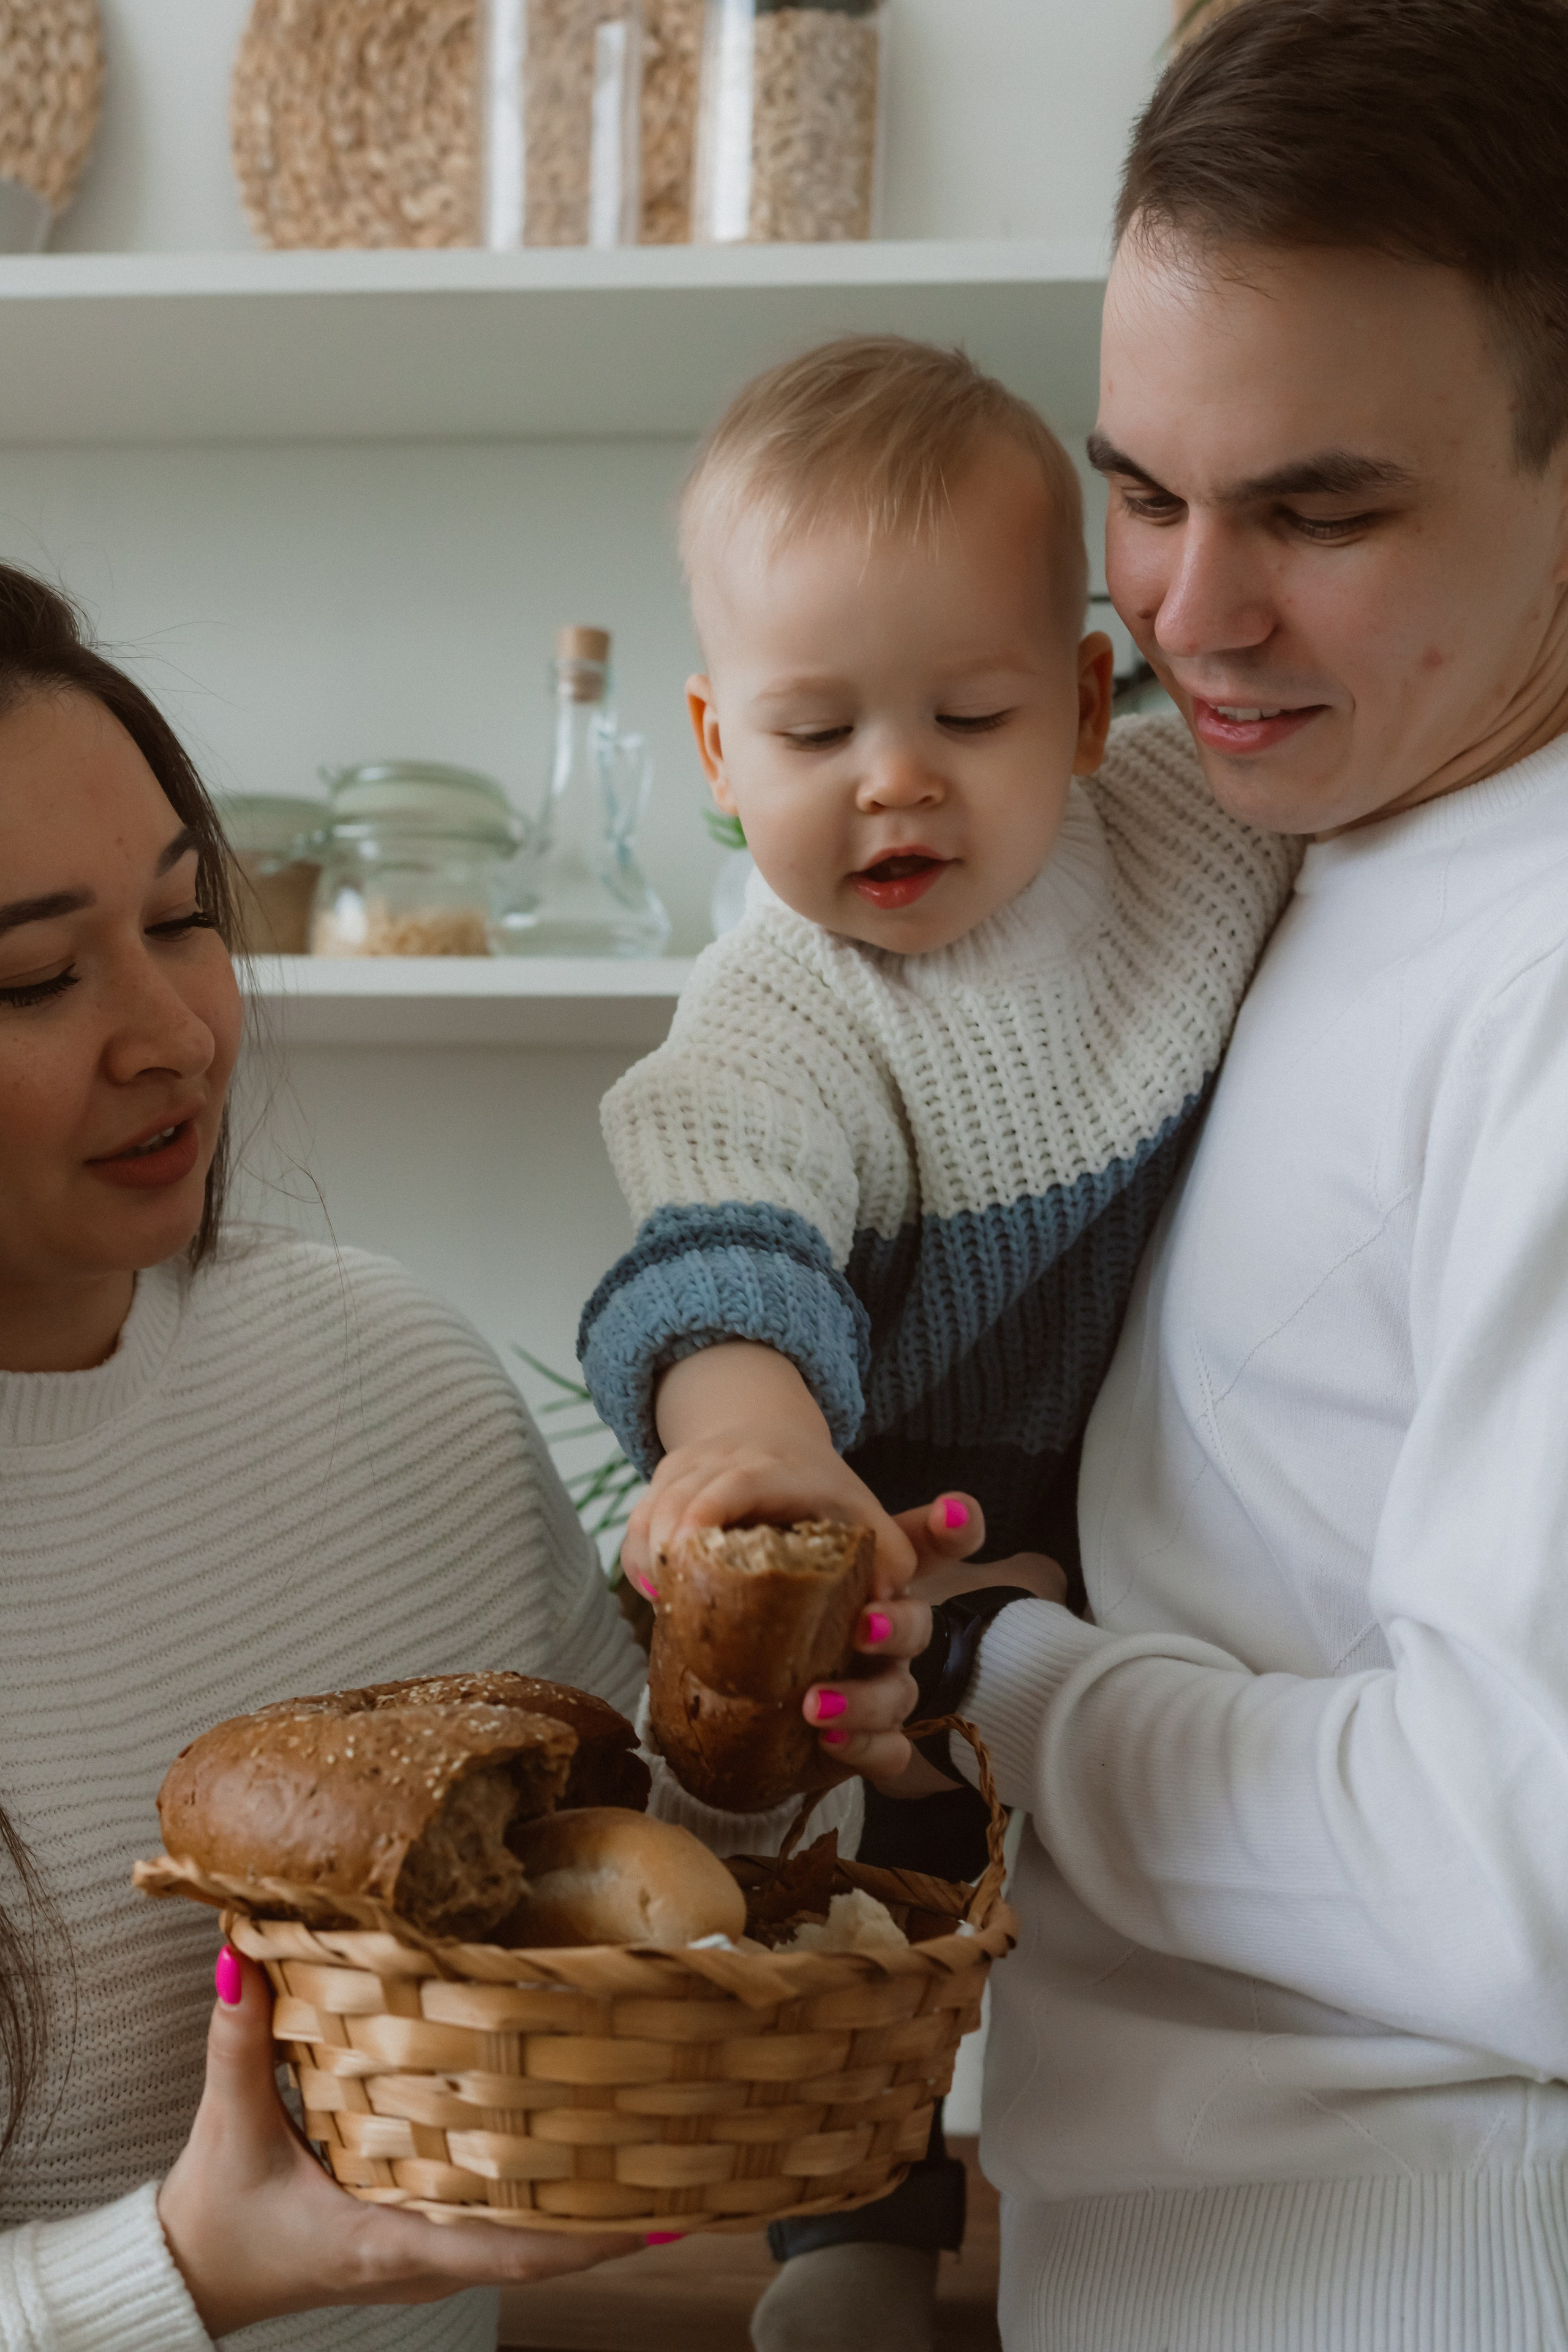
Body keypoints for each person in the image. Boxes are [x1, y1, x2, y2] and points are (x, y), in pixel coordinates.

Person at [842, 1, 1568, 2344]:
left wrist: (999, 1677)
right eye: (1143, 490)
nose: (1181, 614)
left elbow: (1523, 1879)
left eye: (1321, 512)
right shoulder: (1299, 837)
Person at [576, 334, 1298, 2349]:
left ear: (1087, 704)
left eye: (967, 715)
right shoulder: (784, 1007)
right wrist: (750, 1449)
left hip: (1133, 1517)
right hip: (883, 1535)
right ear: (718, 755)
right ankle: (851, 2249)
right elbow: (723, 1238)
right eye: (814, 735)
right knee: (857, 1916)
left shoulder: (1189, 834)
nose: (893, 777)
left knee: (1102, 1904)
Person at [0, 562, 755, 2351]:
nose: (176, 1031)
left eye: (184, 918)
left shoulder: (385, 1368)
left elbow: (636, 1884)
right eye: (32, 976)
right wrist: (180, 2272)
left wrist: (774, 1728)